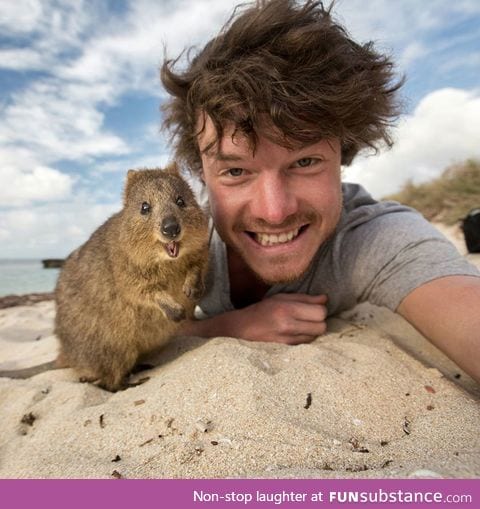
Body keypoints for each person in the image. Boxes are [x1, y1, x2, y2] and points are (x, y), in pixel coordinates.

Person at [160, 0, 480, 383]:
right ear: (201, 172)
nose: (274, 211)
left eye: (305, 162)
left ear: (342, 153)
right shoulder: (176, 242)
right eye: (235, 170)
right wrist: (225, 327)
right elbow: (105, 331)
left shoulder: (373, 238)